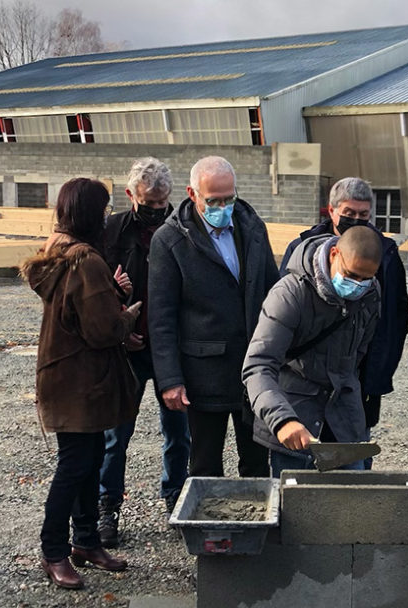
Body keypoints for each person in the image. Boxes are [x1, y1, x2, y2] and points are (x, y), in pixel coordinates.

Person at [21, 177, 140, 590]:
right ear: (92, 214)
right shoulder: (87, 259)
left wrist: (111, 291)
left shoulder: (58, 250)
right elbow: (102, 330)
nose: (108, 217)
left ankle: (85, 541)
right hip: (80, 380)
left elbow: (77, 311)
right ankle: (53, 550)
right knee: (73, 467)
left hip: (65, 376)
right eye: (104, 209)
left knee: (87, 461)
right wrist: (128, 313)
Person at [149, 156, 279, 479]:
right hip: (203, 374)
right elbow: (161, 316)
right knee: (205, 464)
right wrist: (170, 379)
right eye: (214, 201)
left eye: (229, 199)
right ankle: (209, 530)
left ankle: (255, 527)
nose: (223, 206)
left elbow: (273, 291)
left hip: (253, 369)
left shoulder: (252, 227)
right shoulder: (170, 241)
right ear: (192, 195)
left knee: (257, 460)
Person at [279, 177, 408, 464]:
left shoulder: (385, 254)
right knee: (302, 448)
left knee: (353, 446)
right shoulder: (301, 247)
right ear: (332, 210)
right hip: (307, 372)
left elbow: (395, 318)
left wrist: (380, 370)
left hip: (360, 371)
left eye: (363, 215)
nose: (356, 220)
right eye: (349, 214)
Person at [96, 158, 191, 545]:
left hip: (173, 349)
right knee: (116, 435)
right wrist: (122, 329)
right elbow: (96, 291)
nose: (156, 209)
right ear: (129, 195)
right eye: (149, 202)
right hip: (127, 350)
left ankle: (175, 498)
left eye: (162, 202)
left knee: (179, 432)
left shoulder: (183, 230)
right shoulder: (111, 232)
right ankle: (108, 506)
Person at [245, 225, 382, 476]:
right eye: (352, 275)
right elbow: (258, 366)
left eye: (366, 279)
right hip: (295, 421)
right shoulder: (289, 294)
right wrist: (282, 420)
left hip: (345, 422)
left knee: (354, 508)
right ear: (334, 255)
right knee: (296, 509)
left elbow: (359, 354)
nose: (358, 285)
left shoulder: (371, 294)